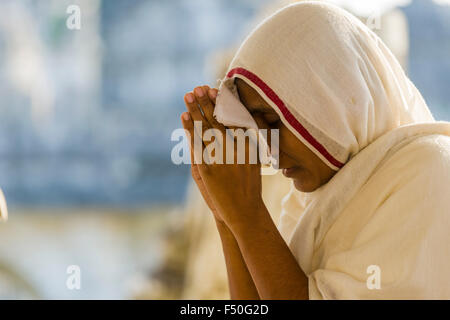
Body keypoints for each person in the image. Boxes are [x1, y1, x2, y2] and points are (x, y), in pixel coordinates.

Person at [181, 2, 450, 299]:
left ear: (332, 96)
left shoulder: (429, 170)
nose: (270, 151)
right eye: (258, 131)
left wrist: (248, 215)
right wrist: (227, 216)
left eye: (273, 121)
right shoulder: (308, 203)